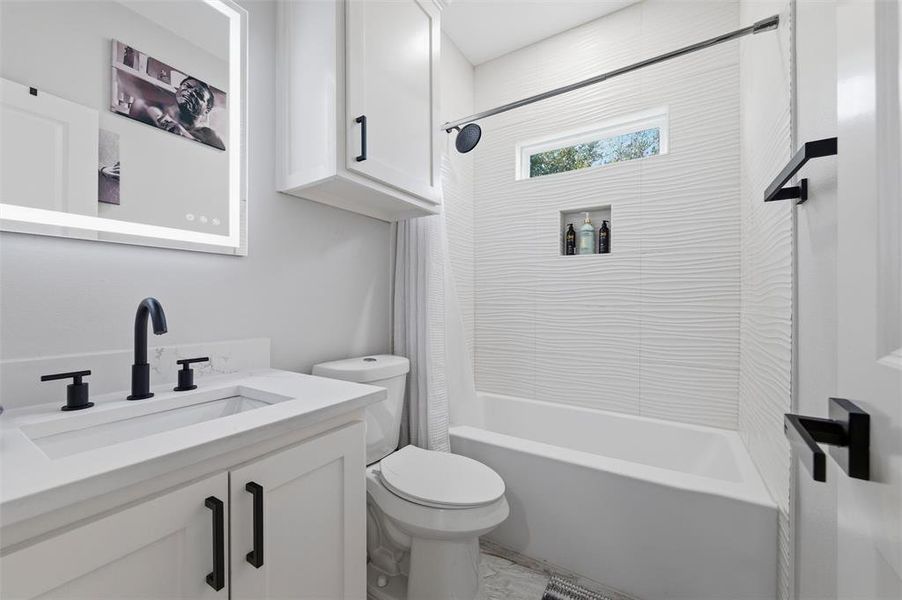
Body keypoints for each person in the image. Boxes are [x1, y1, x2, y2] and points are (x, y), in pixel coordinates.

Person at [128, 76, 225, 150]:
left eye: (199, 95)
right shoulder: (148, 108)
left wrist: (182, 132)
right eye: (187, 86)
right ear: (177, 91)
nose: (191, 92)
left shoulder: (209, 135)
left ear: (207, 110)